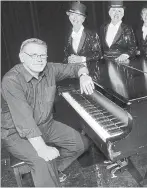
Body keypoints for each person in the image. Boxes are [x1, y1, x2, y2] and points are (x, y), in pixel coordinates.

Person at [1, 38, 95, 187]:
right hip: (15, 133)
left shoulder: (50, 69)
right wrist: (42, 148)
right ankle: (47, 176)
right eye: (33, 55)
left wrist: (83, 75)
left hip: (45, 124)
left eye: (43, 55)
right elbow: (24, 120)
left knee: (81, 144)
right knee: (42, 160)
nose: (39, 59)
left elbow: (77, 67)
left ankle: (54, 170)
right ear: (22, 57)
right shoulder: (11, 80)